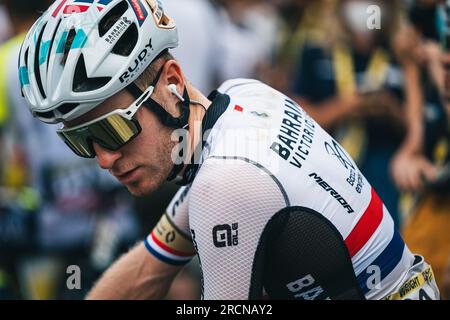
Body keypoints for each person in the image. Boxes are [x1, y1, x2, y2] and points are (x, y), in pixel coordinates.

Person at [18, 0, 440, 300]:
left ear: (172, 81)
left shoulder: (225, 183)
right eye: (80, 140)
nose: (103, 158)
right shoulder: (240, 99)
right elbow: (148, 270)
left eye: (112, 130)